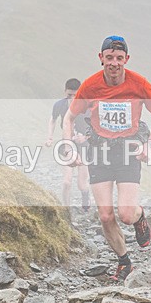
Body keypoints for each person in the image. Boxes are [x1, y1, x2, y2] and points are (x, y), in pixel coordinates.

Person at [63, 35, 151, 282]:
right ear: (101, 58)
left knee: (126, 214)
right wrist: (69, 147)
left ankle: (140, 217)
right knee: (106, 216)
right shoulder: (90, 86)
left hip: (128, 151)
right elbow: (69, 118)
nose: (114, 63)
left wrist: (150, 144)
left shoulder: (140, 84)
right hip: (99, 151)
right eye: (109, 58)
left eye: (119, 58)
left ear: (126, 59)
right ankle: (124, 262)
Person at [46, 78, 91, 211]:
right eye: (69, 95)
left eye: (75, 95)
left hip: (84, 146)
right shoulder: (59, 105)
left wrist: (86, 137)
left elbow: (96, 125)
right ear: (65, 92)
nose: (72, 98)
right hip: (67, 144)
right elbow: (53, 119)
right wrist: (50, 137)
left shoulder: (88, 106)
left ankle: (86, 199)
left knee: (82, 184)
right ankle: (66, 209)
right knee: (66, 182)